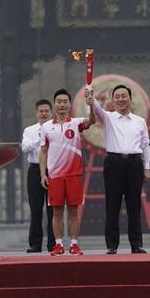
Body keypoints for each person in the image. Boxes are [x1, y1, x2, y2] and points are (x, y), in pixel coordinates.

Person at [89, 84, 150, 254]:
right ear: (113, 100)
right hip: (114, 163)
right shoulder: (108, 118)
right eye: (117, 97)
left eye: (124, 96)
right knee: (112, 204)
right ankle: (112, 245)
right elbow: (97, 108)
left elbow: (145, 145)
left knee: (134, 205)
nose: (121, 99)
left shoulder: (139, 122)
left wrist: (146, 167)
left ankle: (136, 244)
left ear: (130, 99)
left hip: (134, 163)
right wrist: (91, 98)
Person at [39, 88, 94, 256]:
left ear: (69, 104)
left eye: (65, 102)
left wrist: (91, 105)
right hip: (55, 175)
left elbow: (92, 121)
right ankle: (58, 244)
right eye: (59, 102)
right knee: (56, 212)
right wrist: (43, 174)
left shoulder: (76, 123)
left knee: (73, 211)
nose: (62, 105)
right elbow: (43, 151)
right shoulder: (46, 127)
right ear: (54, 104)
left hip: (73, 175)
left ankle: (74, 244)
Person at [22, 99, 55, 253]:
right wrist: (40, 138)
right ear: (36, 113)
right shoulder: (29, 130)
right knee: (35, 209)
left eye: (46, 111)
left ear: (51, 112)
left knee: (52, 209)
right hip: (35, 170)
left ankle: (53, 243)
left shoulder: (56, 128)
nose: (44, 114)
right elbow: (25, 148)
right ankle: (35, 243)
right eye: (41, 111)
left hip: (52, 170)